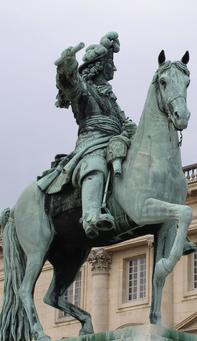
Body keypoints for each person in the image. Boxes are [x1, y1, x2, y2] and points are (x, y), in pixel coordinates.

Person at [38, 32, 137, 239]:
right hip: (92, 141)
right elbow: (70, 82)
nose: (114, 68)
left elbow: (125, 122)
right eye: (111, 63)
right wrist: (66, 66)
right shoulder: (84, 91)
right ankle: (91, 215)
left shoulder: (109, 96)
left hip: (115, 140)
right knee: (95, 164)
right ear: (100, 65)